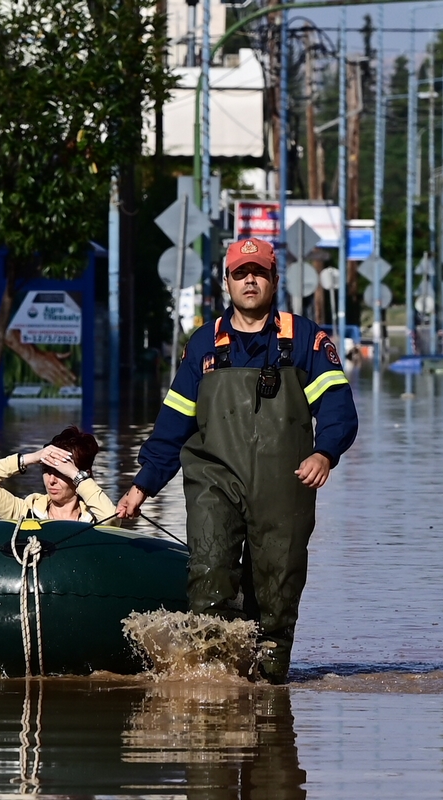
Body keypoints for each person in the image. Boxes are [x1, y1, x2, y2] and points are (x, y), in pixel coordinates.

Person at [115, 237, 358, 684]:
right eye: (240, 273)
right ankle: (215, 688)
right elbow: (174, 424)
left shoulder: (305, 338)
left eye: (259, 273)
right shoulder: (204, 344)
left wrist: (325, 452)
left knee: (276, 592)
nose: (250, 281)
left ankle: (268, 694)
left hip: (284, 487)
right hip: (215, 481)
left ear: (274, 280)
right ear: (227, 281)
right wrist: (142, 485)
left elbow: (340, 407)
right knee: (210, 574)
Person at [0, 425, 116, 522]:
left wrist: (76, 475)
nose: (51, 480)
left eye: (61, 473)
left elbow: (112, 519)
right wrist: (32, 457)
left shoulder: (96, 515)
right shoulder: (25, 512)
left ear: (81, 474)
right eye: (46, 471)